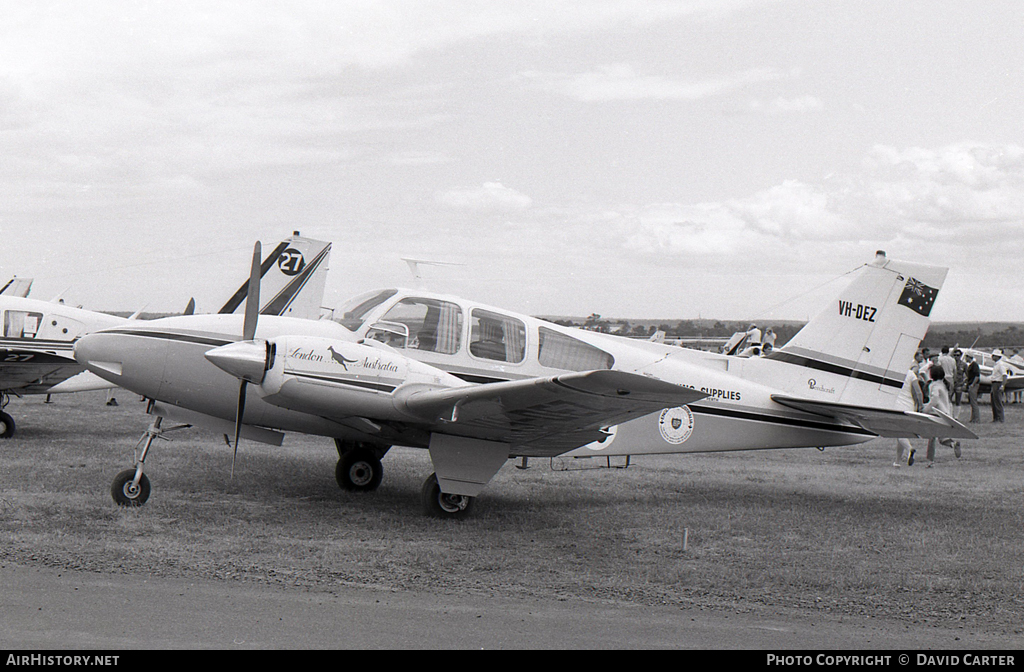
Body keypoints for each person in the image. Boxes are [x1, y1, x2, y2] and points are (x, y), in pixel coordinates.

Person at [921, 364, 961, 465]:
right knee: (942, 439)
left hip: (936, 413)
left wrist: (926, 409)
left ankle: (930, 461)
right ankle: (953, 444)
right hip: (946, 413)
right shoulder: (944, 385)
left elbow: (934, 399)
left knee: (932, 438)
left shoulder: (934, 386)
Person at [894, 364, 924, 467]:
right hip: (908, 405)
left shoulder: (894, 372)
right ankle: (897, 462)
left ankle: (910, 449)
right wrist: (920, 406)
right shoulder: (911, 374)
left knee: (899, 433)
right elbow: (919, 392)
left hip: (896, 405)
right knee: (903, 433)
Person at [990, 349, 1008, 423]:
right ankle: (996, 418)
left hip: (998, 383)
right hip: (994, 383)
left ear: (997, 357)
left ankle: (1000, 418)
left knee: (998, 401)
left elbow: (1004, 375)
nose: (992, 357)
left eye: (993, 356)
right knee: (993, 401)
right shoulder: (996, 365)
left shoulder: (1001, 365)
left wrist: (1002, 385)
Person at [965, 352, 981, 423]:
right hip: (971, 384)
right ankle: (973, 418)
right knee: (972, 402)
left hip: (973, 385)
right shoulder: (971, 365)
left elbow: (977, 376)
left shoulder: (974, 365)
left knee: (974, 402)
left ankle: (976, 418)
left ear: (969, 357)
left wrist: (972, 384)